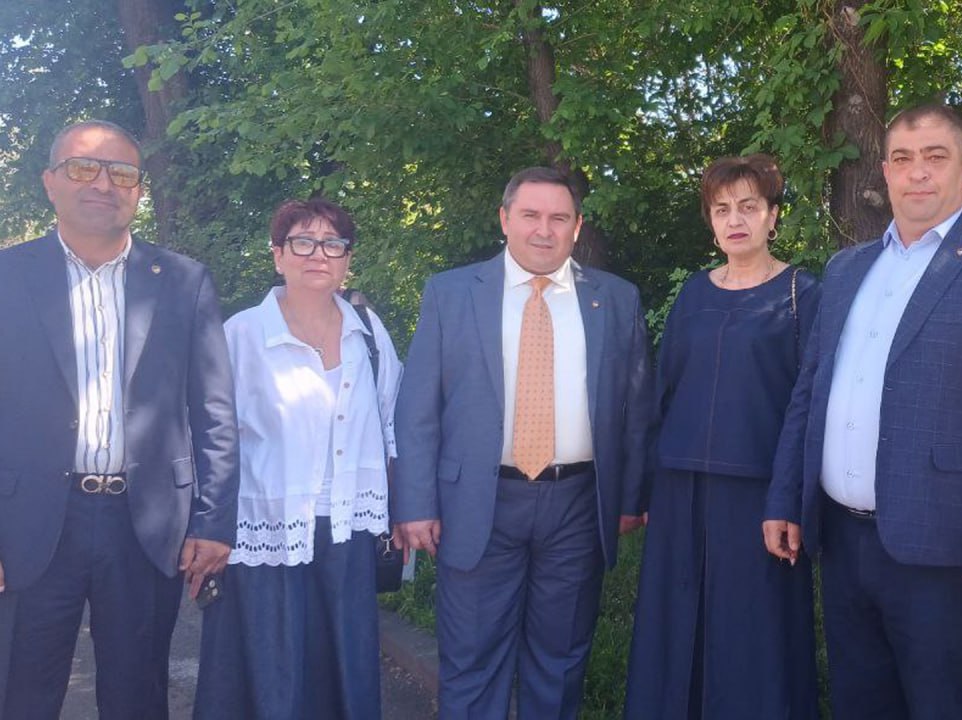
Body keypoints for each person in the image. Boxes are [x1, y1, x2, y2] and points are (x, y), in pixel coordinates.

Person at [763, 103, 962, 719]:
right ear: (886, 172)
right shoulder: (847, 269)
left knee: (939, 706)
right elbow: (810, 392)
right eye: (902, 158)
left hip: (940, 544)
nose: (917, 172)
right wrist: (786, 498)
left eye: (935, 157)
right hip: (841, 540)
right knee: (859, 704)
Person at [393, 166, 653, 719]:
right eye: (530, 215)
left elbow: (637, 411)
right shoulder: (451, 293)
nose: (544, 229)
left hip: (577, 505)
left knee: (560, 662)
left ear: (577, 227)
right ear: (505, 219)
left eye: (559, 218)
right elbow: (417, 409)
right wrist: (415, 503)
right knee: (472, 659)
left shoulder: (616, 298)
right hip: (477, 503)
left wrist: (631, 498)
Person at [0, 119, 239, 718]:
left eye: (122, 173)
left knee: (137, 697)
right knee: (19, 693)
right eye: (84, 167)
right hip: (27, 522)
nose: (103, 183)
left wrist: (213, 520)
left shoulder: (183, 282)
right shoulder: (8, 278)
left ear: (139, 190)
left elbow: (214, 411)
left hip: (145, 524)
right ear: (50, 182)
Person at [624, 154, 819, 719]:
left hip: (760, 496)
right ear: (711, 221)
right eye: (722, 209)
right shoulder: (692, 293)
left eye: (749, 207)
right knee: (676, 630)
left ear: (772, 216)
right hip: (680, 491)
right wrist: (647, 485)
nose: (735, 220)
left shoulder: (804, 294)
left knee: (752, 637)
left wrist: (791, 498)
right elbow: (663, 391)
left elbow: (809, 407)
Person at [193, 198, 402, 719]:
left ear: (348, 258)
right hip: (265, 532)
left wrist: (402, 509)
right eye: (303, 242)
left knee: (342, 669)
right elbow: (209, 438)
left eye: (333, 243)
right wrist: (205, 526)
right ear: (278, 254)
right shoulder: (241, 335)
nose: (319, 254)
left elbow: (392, 426)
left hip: (349, 532)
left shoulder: (369, 333)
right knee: (271, 672)